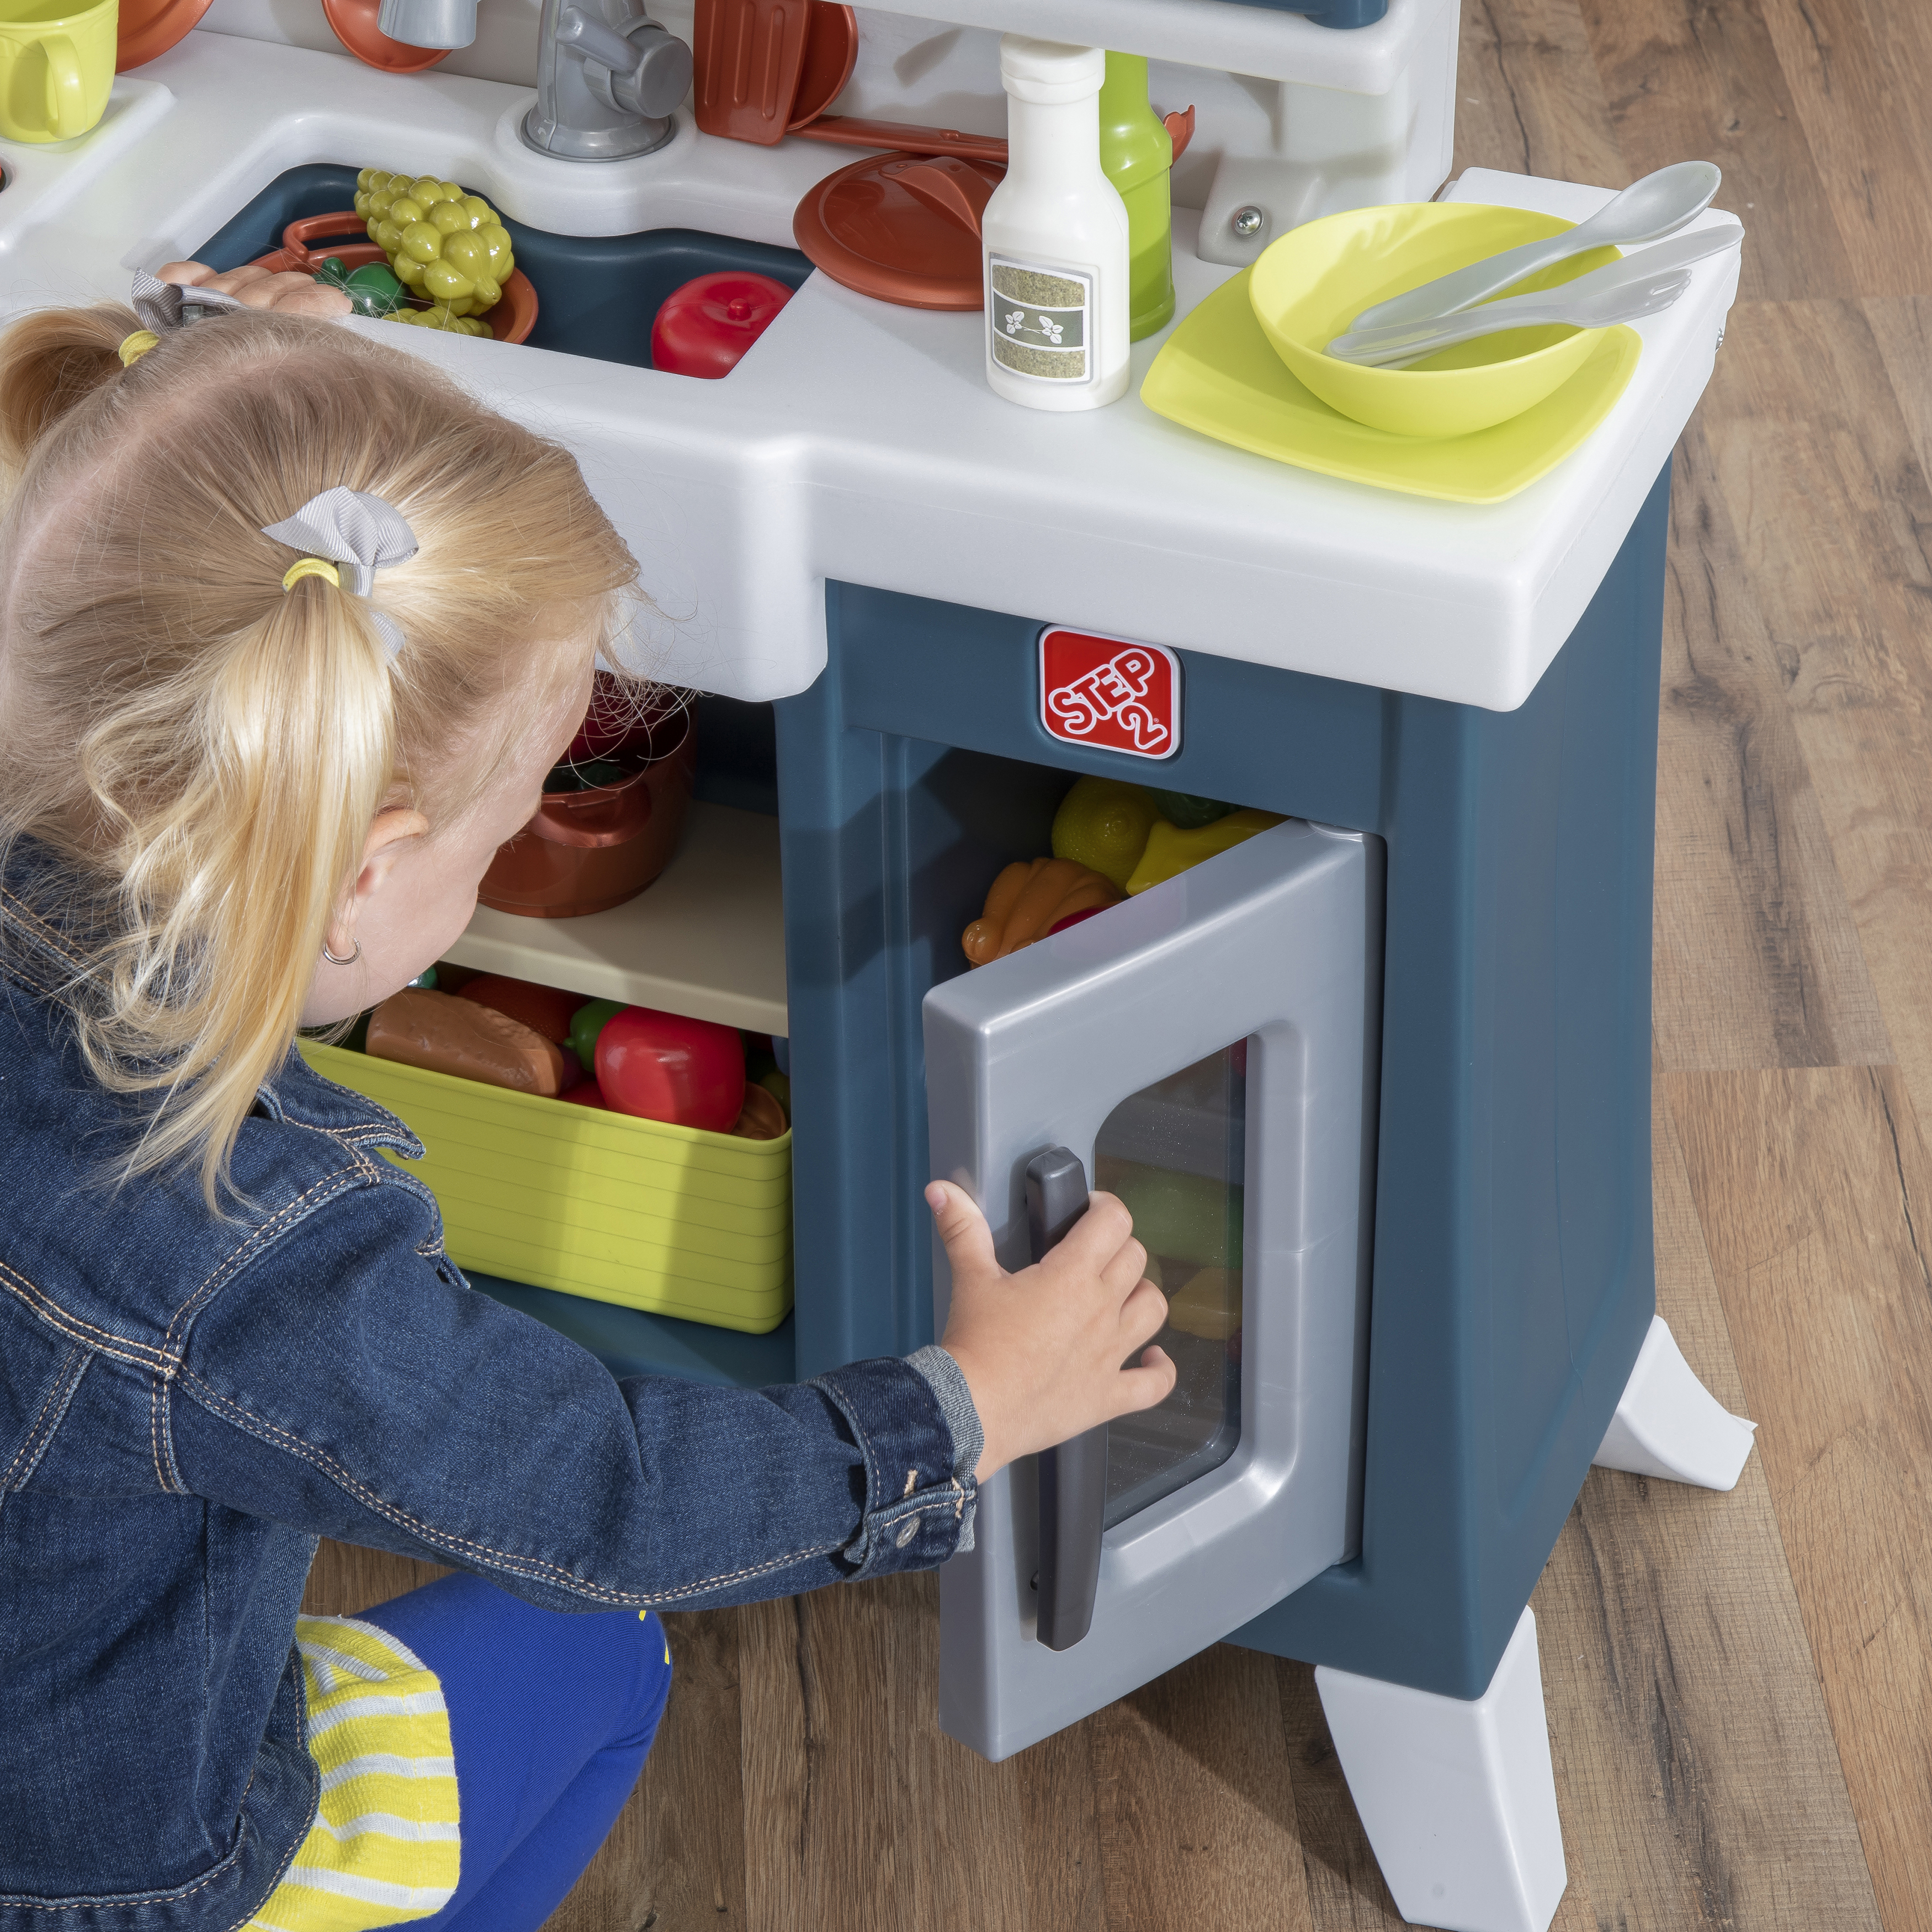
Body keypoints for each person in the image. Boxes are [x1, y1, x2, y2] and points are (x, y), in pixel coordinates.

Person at [0, 261, 1174, 1932]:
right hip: (94, 1882)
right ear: (368, 875)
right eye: (500, 830)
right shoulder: (233, 1256)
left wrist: (250, 403)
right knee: (600, 1653)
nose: (488, 874)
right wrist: (969, 1403)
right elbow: (608, 1498)